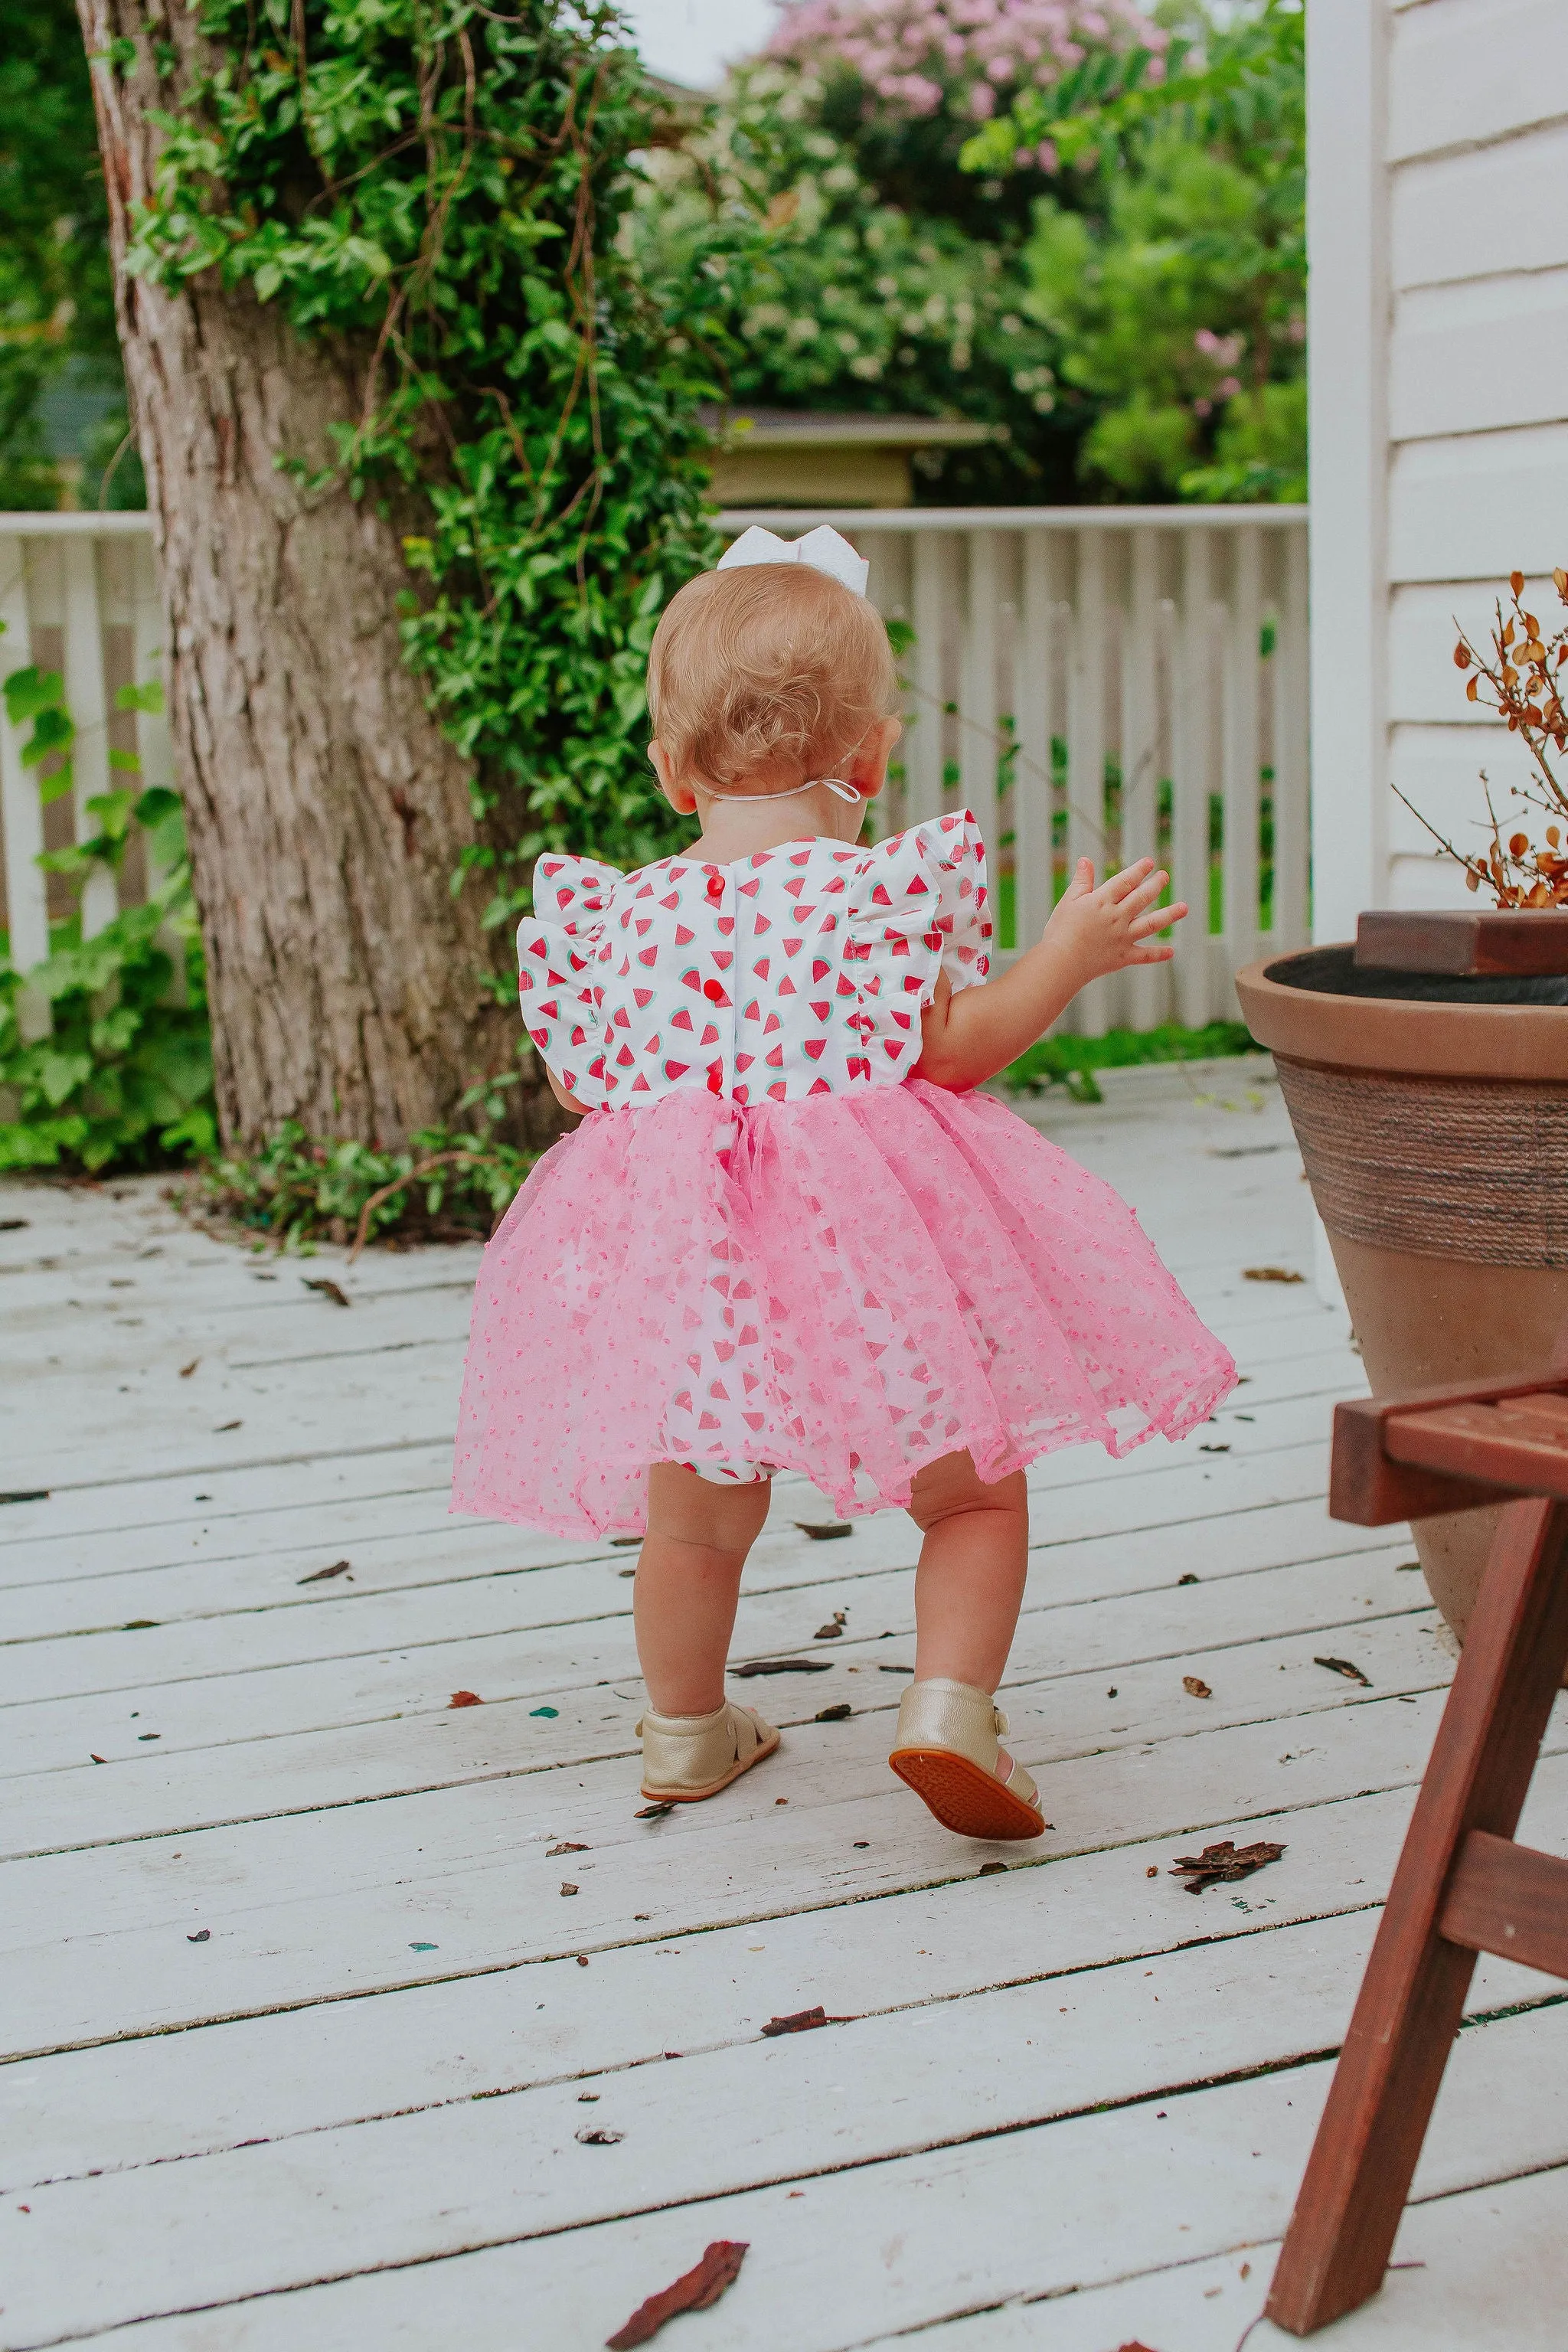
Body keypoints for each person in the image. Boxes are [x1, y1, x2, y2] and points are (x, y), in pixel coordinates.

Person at [452, 525, 1234, 1841]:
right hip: (869, 1258)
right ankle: (946, 1709)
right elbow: (955, 1049)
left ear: (668, 771)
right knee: (971, 1489)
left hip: (698, 1275)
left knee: (691, 1521)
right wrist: (1065, 956)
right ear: (871, 756)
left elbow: (596, 1098)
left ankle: (686, 1732)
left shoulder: (617, 918)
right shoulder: (875, 894)